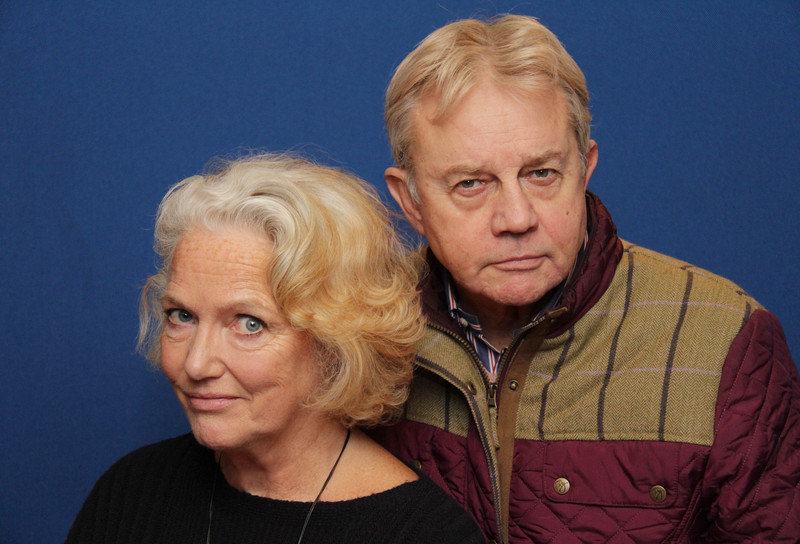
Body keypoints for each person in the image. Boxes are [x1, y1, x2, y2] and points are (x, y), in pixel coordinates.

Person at [369, 14, 800, 544]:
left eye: (542, 173)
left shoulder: (725, 338)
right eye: (471, 183)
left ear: (585, 166)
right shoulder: (361, 326)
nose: (517, 217)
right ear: (410, 199)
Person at [66, 153, 486, 543]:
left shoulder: (424, 533)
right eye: (182, 316)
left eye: (250, 324)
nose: (196, 363)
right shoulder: (131, 493)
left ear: (337, 342)